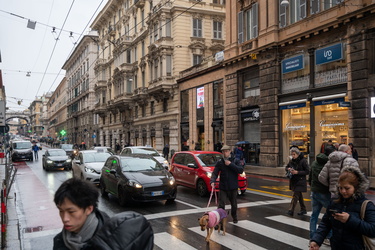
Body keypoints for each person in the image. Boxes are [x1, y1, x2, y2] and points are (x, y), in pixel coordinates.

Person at [53, 178, 154, 249]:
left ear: (89, 209)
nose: (65, 218)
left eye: (71, 212)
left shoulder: (113, 238)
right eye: (61, 211)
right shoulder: (59, 241)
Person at [309, 165, 375, 249]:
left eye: (347, 188)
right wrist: (316, 240)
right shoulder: (335, 202)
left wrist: (349, 219)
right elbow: (326, 223)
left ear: (356, 187)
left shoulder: (366, 205)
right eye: (340, 188)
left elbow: (372, 230)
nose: (343, 191)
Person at [210, 145, 244, 223]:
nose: (225, 153)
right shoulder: (220, 162)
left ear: (229, 151)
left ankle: (234, 217)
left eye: (226, 151)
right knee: (221, 205)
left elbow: (240, 170)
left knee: (234, 204)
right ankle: (220, 222)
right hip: (223, 187)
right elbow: (215, 173)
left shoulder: (235, 160)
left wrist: (230, 164)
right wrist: (212, 181)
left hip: (233, 187)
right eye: (223, 152)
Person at [308, 146, 336, 240]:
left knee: (314, 216)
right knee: (330, 214)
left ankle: (312, 237)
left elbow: (310, 177)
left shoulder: (315, 162)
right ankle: (329, 236)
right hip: (324, 192)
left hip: (314, 191)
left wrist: (312, 186)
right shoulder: (329, 163)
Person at [285, 147, 309, 216]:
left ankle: (291, 210)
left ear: (298, 154)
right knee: (299, 195)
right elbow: (286, 167)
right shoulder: (291, 160)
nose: (293, 156)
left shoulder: (303, 161)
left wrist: (297, 172)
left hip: (300, 181)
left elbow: (307, 171)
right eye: (292, 154)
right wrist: (288, 169)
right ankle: (303, 209)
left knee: (295, 195)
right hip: (294, 180)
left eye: (294, 154)